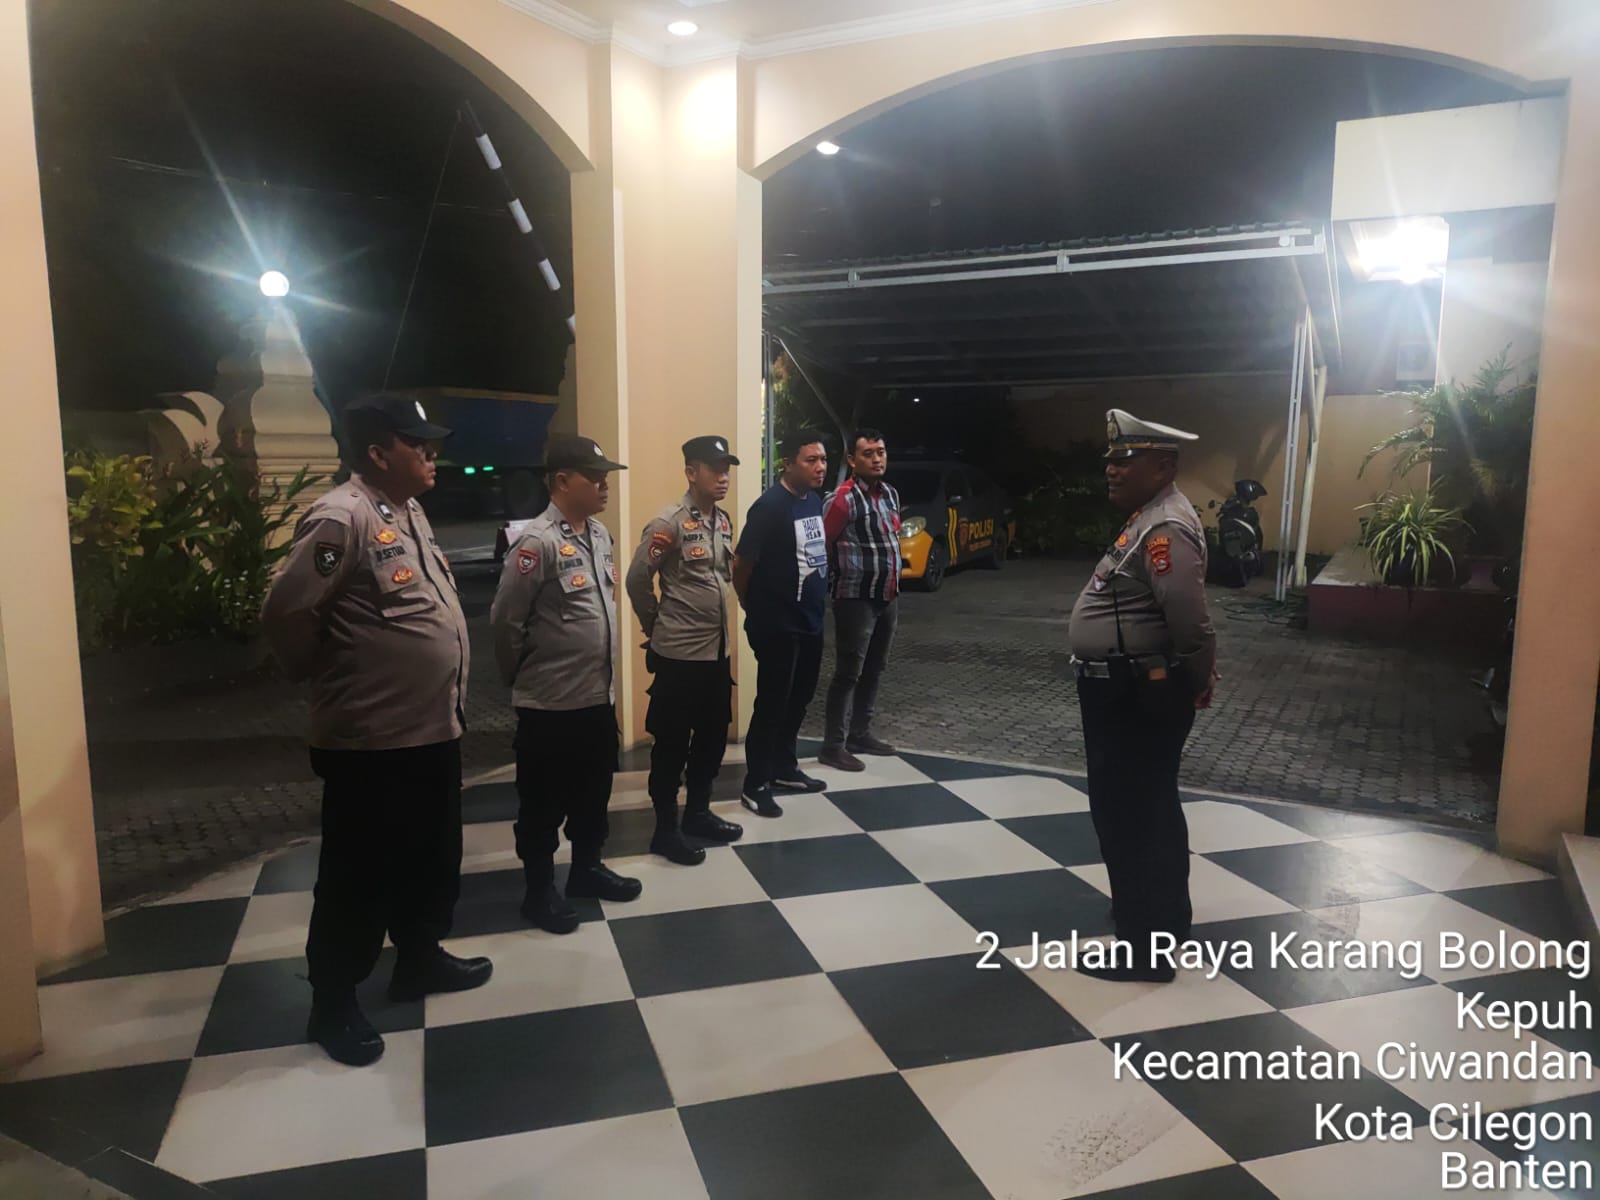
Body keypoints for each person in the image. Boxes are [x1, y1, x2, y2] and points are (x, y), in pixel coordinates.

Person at [261, 393, 492, 1067]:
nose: (430, 453)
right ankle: (333, 1001)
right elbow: (286, 609)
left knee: (430, 857)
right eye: (416, 443)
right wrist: (316, 669)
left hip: (430, 729)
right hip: (372, 741)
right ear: (376, 452)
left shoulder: (407, 512)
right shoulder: (343, 517)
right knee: (359, 876)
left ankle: (419, 957)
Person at [1067, 408, 1218, 985]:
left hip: (1135, 693)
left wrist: (1197, 678)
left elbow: (1190, 621)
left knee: (1131, 816)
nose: (1112, 468)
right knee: (1143, 810)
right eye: (1111, 458)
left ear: (1164, 467)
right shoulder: (1149, 517)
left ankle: (1145, 949)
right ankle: (1154, 920)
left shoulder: (1165, 528)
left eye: (1126, 459)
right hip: (1125, 688)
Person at [491, 434, 640, 934]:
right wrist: (520, 678)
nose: (604, 486)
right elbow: (506, 621)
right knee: (542, 804)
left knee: (592, 794)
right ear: (561, 481)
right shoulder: (536, 544)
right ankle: (539, 891)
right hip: (550, 704)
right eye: (594, 478)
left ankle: (586, 869)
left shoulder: (599, 535)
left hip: (596, 697)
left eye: (606, 477)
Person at [625, 435, 746, 865]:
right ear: (691, 472)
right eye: (715, 469)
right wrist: (655, 627)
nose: (723, 477)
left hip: (716, 654)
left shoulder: (723, 521)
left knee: (712, 738)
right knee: (672, 745)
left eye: (727, 469)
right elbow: (636, 579)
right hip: (679, 657)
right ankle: (666, 829)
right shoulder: (668, 523)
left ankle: (698, 813)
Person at [731, 430, 831, 818]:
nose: (820, 467)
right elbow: (742, 564)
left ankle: (784, 767)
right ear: (788, 463)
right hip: (777, 624)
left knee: (800, 697)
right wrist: (750, 604)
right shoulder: (769, 507)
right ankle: (756, 782)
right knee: (772, 703)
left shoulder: (813, 500)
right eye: (811, 460)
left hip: (811, 619)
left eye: (823, 459)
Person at [818, 429, 903, 772]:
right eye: (868, 453)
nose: (877, 459)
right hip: (855, 598)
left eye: (880, 451)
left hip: (888, 595)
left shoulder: (890, 494)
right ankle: (833, 746)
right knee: (848, 673)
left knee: (875, 668)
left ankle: (860, 733)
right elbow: (821, 545)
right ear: (852, 460)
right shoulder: (842, 499)